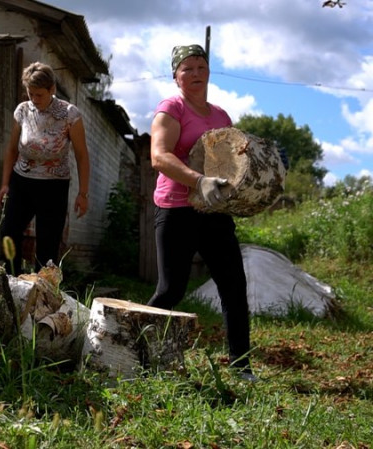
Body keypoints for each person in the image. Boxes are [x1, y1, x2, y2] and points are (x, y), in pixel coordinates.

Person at [146, 44, 256, 381]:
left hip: (214, 211)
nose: (195, 74)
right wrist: (199, 180)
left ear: (209, 72)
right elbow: (159, 157)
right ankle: (136, 349)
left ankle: (241, 366)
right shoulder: (171, 109)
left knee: (234, 286)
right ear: (176, 76)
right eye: (187, 69)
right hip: (177, 209)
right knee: (171, 290)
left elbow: (233, 161)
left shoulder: (221, 116)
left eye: (200, 67)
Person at [0, 61, 90, 276]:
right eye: (31, 94)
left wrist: (83, 193)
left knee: (47, 245)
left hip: (54, 185)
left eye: (39, 94)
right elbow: (11, 149)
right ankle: (13, 282)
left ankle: (42, 295)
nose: (34, 100)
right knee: (9, 234)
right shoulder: (22, 111)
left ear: (52, 89)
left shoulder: (69, 115)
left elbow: (82, 156)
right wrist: (4, 184)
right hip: (22, 181)